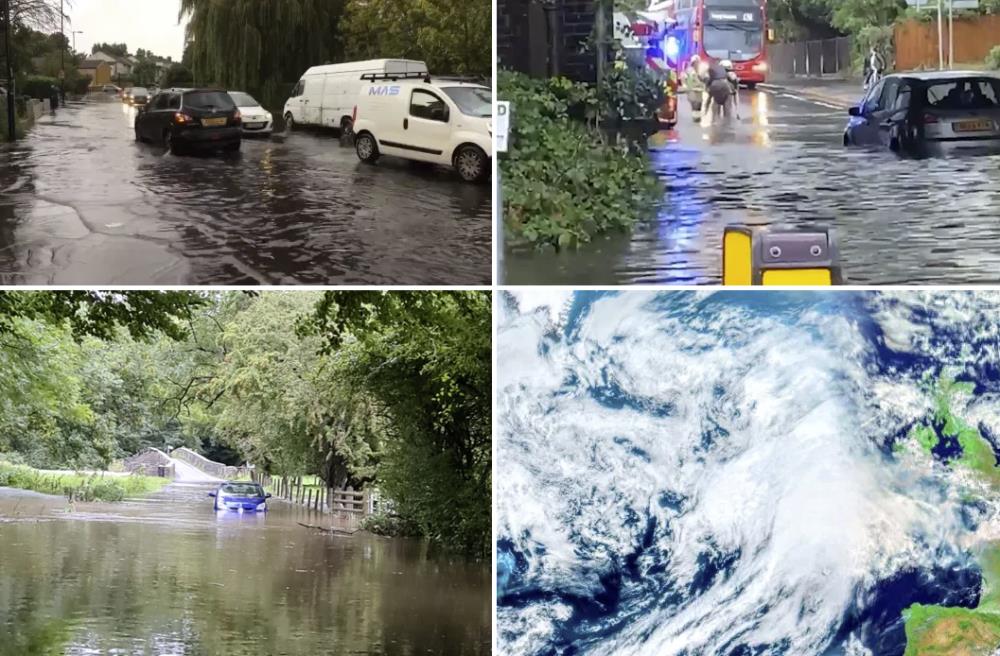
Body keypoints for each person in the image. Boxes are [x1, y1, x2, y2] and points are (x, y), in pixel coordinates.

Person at [684, 55, 706, 120]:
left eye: (698, 62)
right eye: (695, 62)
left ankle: (698, 117)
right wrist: (687, 87)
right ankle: (695, 117)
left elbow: (704, 78)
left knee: (699, 103)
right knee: (694, 103)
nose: (697, 63)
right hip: (692, 90)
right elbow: (686, 79)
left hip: (699, 90)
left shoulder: (701, 70)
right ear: (693, 63)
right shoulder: (689, 70)